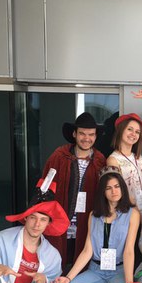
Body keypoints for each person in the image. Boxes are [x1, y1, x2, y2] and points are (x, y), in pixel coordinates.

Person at [53, 169, 140, 283]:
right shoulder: (94, 215)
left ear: (123, 189)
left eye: (117, 186)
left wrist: (128, 282)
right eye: (109, 188)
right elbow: (87, 250)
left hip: (118, 270)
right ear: (103, 192)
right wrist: (69, 277)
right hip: (96, 269)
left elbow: (129, 250)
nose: (114, 191)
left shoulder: (132, 214)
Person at [42, 112, 106, 265]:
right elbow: (44, 188)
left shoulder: (100, 161)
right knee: (56, 260)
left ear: (95, 136)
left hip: (86, 222)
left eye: (91, 134)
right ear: (74, 134)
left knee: (81, 261)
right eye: (82, 133)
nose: (86, 138)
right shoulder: (59, 156)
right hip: (61, 220)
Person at [107, 89, 142, 213]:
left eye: (137, 132)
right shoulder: (113, 160)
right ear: (121, 130)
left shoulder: (136, 151)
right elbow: (116, 190)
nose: (133, 134)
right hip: (128, 212)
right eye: (129, 129)